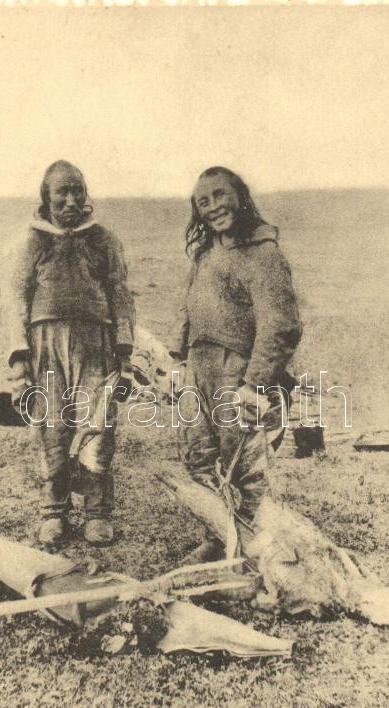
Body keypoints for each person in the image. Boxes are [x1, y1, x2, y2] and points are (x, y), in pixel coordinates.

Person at [2, 161, 135, 548]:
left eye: (78, 191)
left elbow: (121, 295)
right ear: (46, 197)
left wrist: (123, 352)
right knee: (52, 426)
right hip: (45, 344)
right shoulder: (31, 241)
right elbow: (16, 299)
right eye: (62, 192)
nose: (71, 200)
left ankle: (97, 512)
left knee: (99, 426)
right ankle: (54, 511)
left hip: (96, 343)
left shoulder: (104, 240)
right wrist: (19, 356)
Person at [171, 166, 302, 534]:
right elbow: (189, 307)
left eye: (220, 195)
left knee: (244, 464)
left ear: (240, 197)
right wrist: (179, 363)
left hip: (238, 373)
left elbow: (280, 325)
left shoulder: (263, 254)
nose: (213, 207)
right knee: (201, 458)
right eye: (203, 202)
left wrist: (255, 384)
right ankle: (221, 537)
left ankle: (256, 548)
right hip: (200, 370)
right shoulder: (205, 254)